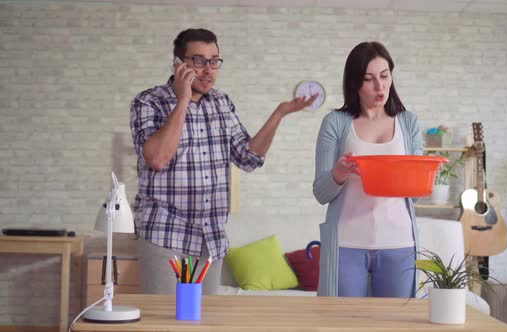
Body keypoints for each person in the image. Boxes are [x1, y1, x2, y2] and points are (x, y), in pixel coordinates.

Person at [130, 28, 316, 295]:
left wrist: (279, 114)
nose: (209, 70)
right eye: (199, 61)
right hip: (165, 233)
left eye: (214, 60)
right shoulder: (148, 102)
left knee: (205, 320)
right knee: (165, 319)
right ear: (178, 63)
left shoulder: (221, 103)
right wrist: (182, 100)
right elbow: (157, 158)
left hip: (210, 238)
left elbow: (248, 158)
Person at [313, 41, 423, 298]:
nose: (380, 86)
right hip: (346, 244)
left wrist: (422, 178)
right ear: (354, 84)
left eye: (385, 76)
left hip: (400, 243)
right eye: (368, 79)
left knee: (396, 324)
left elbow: (415, 195)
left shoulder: (408, 123)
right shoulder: (335, 123)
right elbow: (320, 192)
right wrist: (338, 175)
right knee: (343, 323)